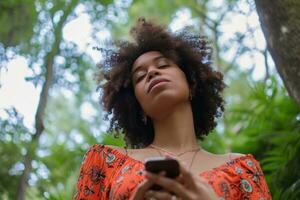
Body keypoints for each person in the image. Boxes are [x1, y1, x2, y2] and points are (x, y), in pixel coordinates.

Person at [74, 18, 272, 200]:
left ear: (192, 84)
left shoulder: (242, 170)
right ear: (138, 107)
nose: (151, 72)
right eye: (140, 77)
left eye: (163, 64)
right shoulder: (105, 163)